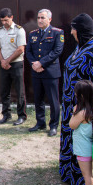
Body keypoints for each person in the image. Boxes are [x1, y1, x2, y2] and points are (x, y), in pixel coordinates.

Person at [60, 13, 93, 185]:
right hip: (71, 105)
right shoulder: (80, 46)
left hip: (86, 110)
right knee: (71, 140)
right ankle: (69, 172)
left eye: (74, 28)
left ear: (81, 30)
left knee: (84, 144)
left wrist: (91, 110)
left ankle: (86, 184)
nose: (71, 32)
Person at [26, 9, 64, 137]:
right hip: (37, 72)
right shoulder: (32, 34)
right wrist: (34, 64)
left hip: (50, 72)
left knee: (53, 101)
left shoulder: (57, 33)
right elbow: (29, 52)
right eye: (38, 18)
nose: (40, 20)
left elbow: (57, 51)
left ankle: (53, 125)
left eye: (43, 18)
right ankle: (40, 122)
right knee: (38, 99)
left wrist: (41, 63)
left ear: (50, 19)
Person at [0, 8, 27, 125]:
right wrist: (3, 61)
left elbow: (20, 49)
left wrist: (7, 61)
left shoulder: (19, 30)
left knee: (19, 91)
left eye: (6, 20)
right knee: (4, 91)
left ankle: (21, 116)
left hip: (17, 64)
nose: (4, 23)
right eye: (2, 20)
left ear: (11, 17)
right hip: (4, 65)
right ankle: (6, 114)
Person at [69, 80, 93, 185]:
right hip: (89, 147)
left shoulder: (82, 113)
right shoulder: (92, 110)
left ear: (80, 96)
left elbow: (72, 125)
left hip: (83, 149)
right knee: (90, 172)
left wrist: (74, 112)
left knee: (88, 175)